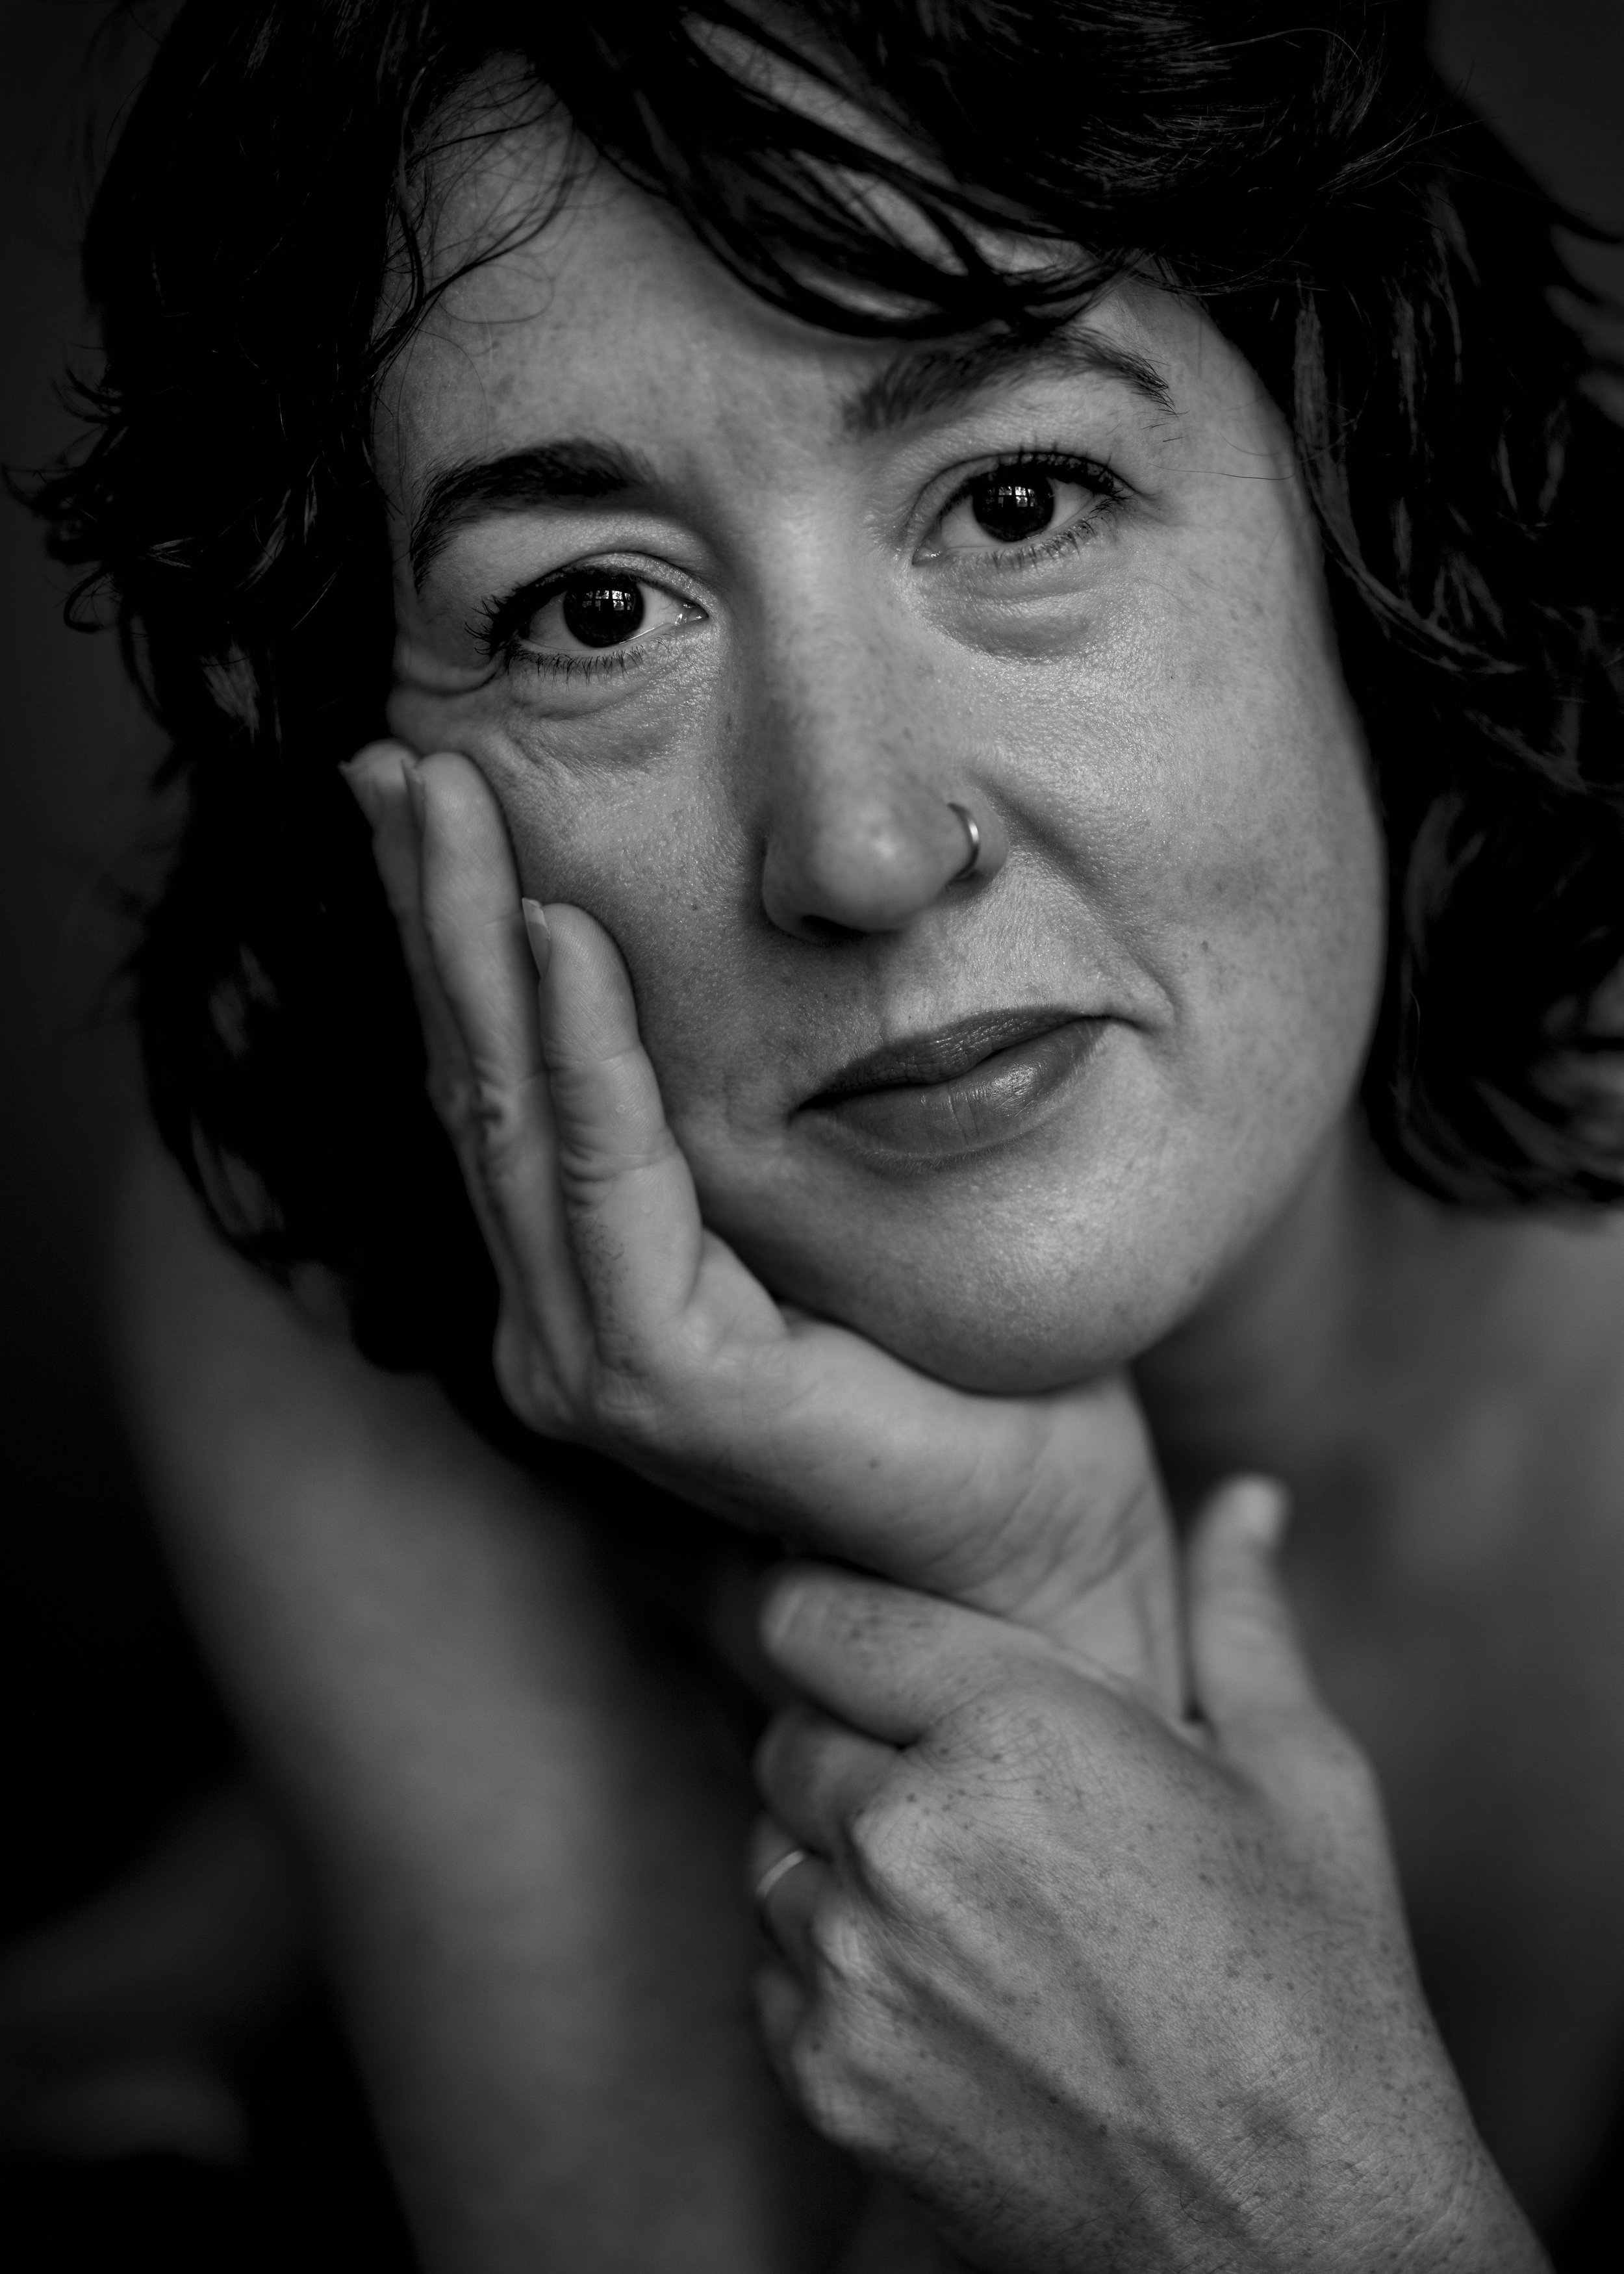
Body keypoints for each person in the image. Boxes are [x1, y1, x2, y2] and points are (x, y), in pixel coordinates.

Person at [32, 0, 1624, 2264]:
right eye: (595, 614)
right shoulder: (316, 1267)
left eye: (1016, 497)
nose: (861, 846)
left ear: (1361, 515)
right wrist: (1029, 1605)